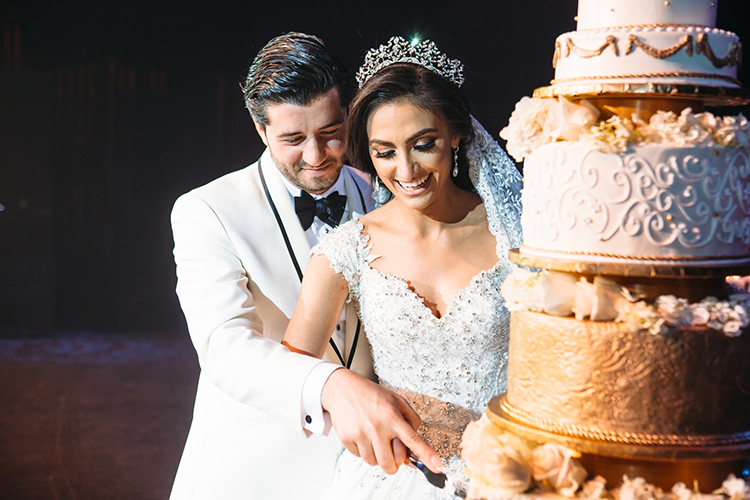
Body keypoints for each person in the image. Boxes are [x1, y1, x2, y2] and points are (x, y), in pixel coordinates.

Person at [168, 33, 436, 500]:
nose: (316, 157)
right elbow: (225, 346)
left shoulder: (385, 190)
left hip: (366, 473)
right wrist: (329, 383)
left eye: (331, 133)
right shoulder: (205, 210)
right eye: (293, 139)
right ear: (260, 130)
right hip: (250, 473)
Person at [283, 36, 524, 499]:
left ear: (456, 135)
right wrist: (347, 392)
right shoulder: (348, 249)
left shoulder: (518, 235)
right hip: (387, 480)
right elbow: (291, 372)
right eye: (385, 151)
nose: (406, 170)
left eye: (424, 144)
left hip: (505, 475)